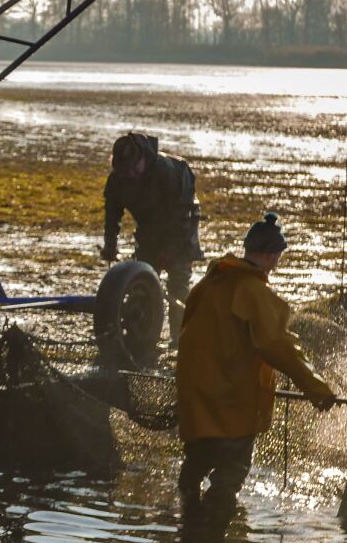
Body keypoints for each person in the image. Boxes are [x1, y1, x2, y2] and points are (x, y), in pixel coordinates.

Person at [175, 212, 335, 516]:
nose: (276, 263)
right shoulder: (253, 292)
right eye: (276, 257)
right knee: (229, 475)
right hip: (234, 405)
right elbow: (278, 346)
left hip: (197, 401)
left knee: (192, 471)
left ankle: (186, 531)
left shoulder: (207, 285)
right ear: (270, 255)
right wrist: (317, 389)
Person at [102, 132, 201, 347]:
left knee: (178, 284)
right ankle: (143, 336)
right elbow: (112, 214)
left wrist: (172, 251)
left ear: (143, 160)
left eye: (132, 169)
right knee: (143, 280)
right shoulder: (118, 180)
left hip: (181, 227)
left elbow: (183, 216)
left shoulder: (168, 172)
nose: (129, 174)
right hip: (149, 230)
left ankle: (180, 340)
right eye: (123, 170)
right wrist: (110, 245)